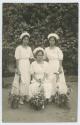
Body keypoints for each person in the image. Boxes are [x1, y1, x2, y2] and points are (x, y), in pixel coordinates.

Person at [11, 31, 34, 104]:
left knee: (27, 80)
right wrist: (18, 69)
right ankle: (20, 97)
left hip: (27, 65)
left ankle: (26, 95)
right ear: (22, 40)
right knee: (21, 80)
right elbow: (17, 59)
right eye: (24, 39)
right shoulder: (19, 48)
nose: (26, 41)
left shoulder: (29, 48)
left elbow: (31, 57)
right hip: (21, 65)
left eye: (27, 39)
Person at [45, 33, 68, 97]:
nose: (51, 42)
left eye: (53, 40)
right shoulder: (46, 49)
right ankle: (51, 94)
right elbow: (44, 58)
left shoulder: (57, 49)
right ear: (48, 41)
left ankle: (59, 94)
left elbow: (60, 58)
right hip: (50, 65)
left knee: (58, 79)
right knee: (50, 78)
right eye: (50, 40)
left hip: (57, 64)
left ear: (55, 41)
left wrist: (60, 67)